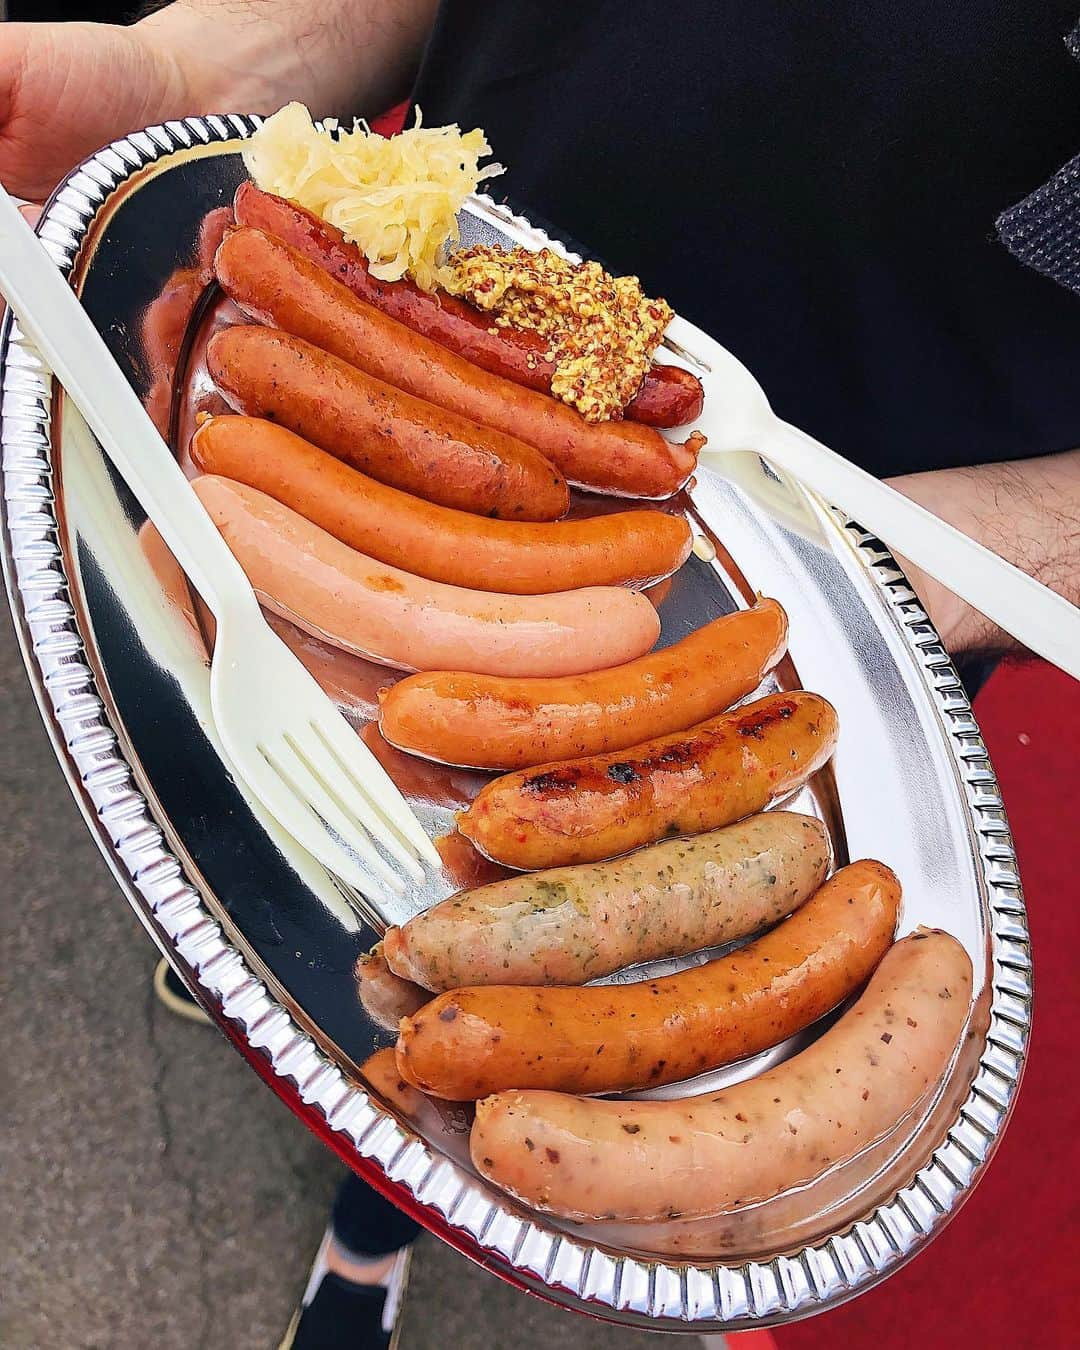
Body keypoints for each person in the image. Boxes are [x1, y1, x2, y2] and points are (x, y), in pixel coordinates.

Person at [3, 4, 1078, 1347]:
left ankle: (371, 1227)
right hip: (469, 285)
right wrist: (194, 74)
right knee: (320, 817)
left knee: (493, 992)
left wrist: (978, 560)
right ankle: (257, 975)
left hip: (858, 568)